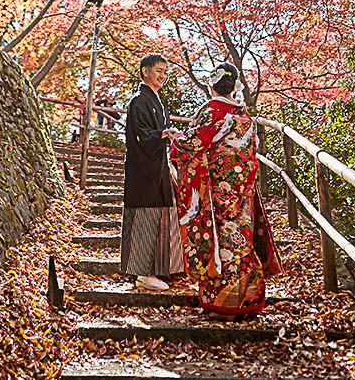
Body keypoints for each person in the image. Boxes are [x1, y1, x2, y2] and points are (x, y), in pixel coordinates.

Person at [171, 63, 282, 316]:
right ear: (235, 87)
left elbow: (193, 143)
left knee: (219, 238)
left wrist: (174, 138)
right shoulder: (244, 116)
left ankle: (221, 303)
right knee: (242, 236)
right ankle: (248, 300)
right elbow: (251, 151)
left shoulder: (211, 111)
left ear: (212, 86)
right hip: (242, 186)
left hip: (216, 187)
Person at [121, 53, 184, 291]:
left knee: (160, 216)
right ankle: (142, 273)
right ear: (145, 70)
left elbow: (156, 136)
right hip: (143, 169)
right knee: (145, 217)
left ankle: (157, 269)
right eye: (159, 70)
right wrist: (163, 134)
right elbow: (142, 136)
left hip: (158, 165)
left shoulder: (156, 100)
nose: (163, 75)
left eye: (166, 72)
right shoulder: (139, 101)